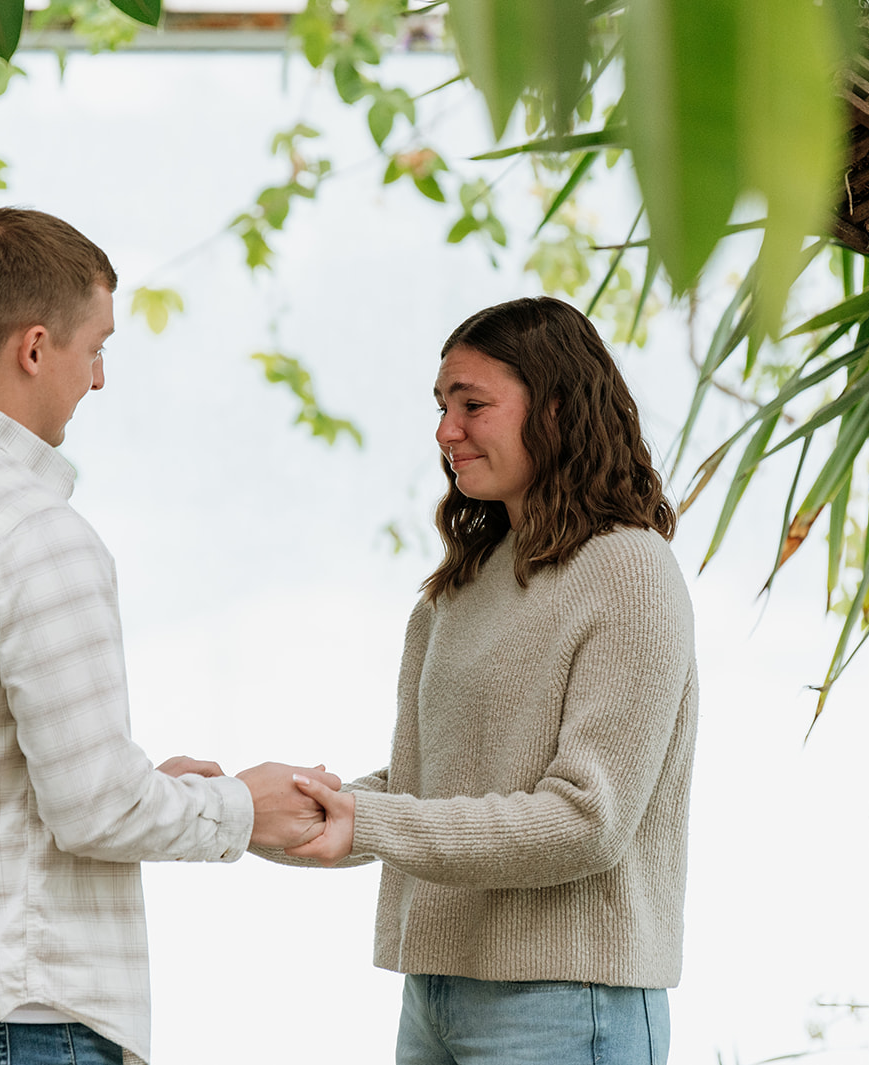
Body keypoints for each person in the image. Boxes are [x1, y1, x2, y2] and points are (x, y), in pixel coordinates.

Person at [0, 207, 335, 1065]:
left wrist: (129, 780)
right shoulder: (33, 534)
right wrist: (245, 808)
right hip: (5, 1022)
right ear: (36, 348)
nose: (101, 377)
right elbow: (97, 810)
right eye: (97, 347)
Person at [281, 296, 699, 1065]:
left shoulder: (630, 570)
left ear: (559, 409)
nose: (446, 432)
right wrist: (272, 811)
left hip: (569, 1001)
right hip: (436, 991)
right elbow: (422, 785)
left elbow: (585, 819)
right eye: (443, 406)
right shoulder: (461, 585)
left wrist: (366, 823)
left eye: (473, 404)